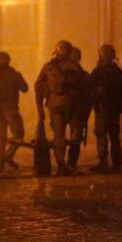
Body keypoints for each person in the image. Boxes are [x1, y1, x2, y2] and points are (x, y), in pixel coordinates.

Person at [35, 40, 82, 175]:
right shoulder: (75, 67)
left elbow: (38, 88)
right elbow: (84, 89)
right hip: (73, 105)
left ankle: (61, 163)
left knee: (59, 135)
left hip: (56, 104)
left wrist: (40, 109)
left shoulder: (49, 67)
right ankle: (70, 165)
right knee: (75, 135)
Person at [89, 44, 122, 174]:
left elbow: (90, 89)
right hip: (112, 110)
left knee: (102, 135)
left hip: (103, 108)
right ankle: (116, 163)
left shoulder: (99, 72)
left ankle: (103, 162)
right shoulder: (118, 72)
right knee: (113, 136)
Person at [0, 51, 28, 174]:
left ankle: (1, 161)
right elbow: (25, 88)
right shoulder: (15, 74)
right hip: (11, 109)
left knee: (1, 136)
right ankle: (7, 155)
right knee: (19, 135)